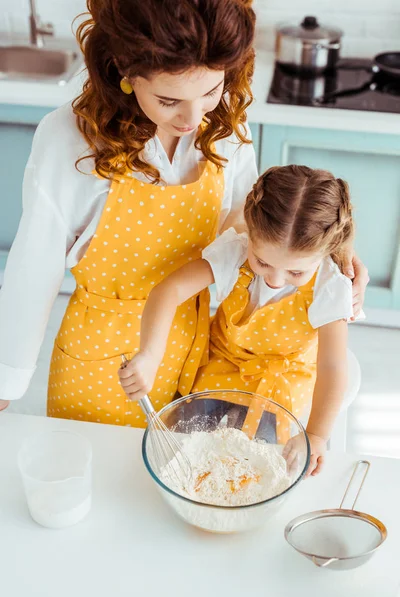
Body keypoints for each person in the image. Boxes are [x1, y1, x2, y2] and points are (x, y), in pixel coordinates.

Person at [0, 1, 367, 425]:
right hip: (102, 358)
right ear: (124, 69)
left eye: (212, 90)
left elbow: (249, 226)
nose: (195, 118)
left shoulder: (226, 124)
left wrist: (329, 251)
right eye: (168, 99)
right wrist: (5, 384)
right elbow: (35, 265)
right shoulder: (73, 140)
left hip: (196, 350)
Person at [119, 165, 358, 475]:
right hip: (223, 361)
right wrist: (150, 355)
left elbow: (332, 367)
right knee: (189, 442)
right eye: (262, 261)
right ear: (251, 231)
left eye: (296, 272)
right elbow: (169, 290)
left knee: (260, 461)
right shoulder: (235, 252)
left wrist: (315, 435)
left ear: (326, 251)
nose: (275, 279)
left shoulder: (329, 285)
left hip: (282, 378)